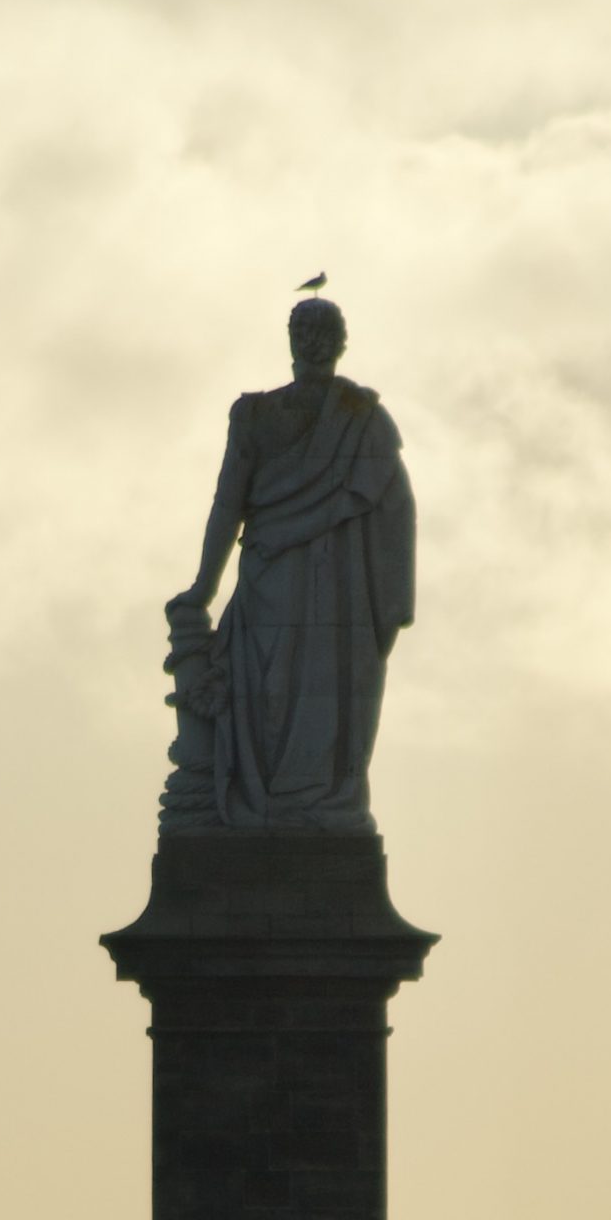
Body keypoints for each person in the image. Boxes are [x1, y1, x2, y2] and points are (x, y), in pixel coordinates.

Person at [163, 298, 414, 832]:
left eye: (325, 331)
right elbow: (227, 503)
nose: (315, 341)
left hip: (339, 585)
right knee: (266, 699)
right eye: (306, 330)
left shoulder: (362, 419)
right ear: (291, 339)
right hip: (270, 579)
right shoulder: (254, 415)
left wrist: (389, 601)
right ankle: (276, 805)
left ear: (341, 343)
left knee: (329, 700)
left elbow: (391, 509)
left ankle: (319, 805)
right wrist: (202, 588)